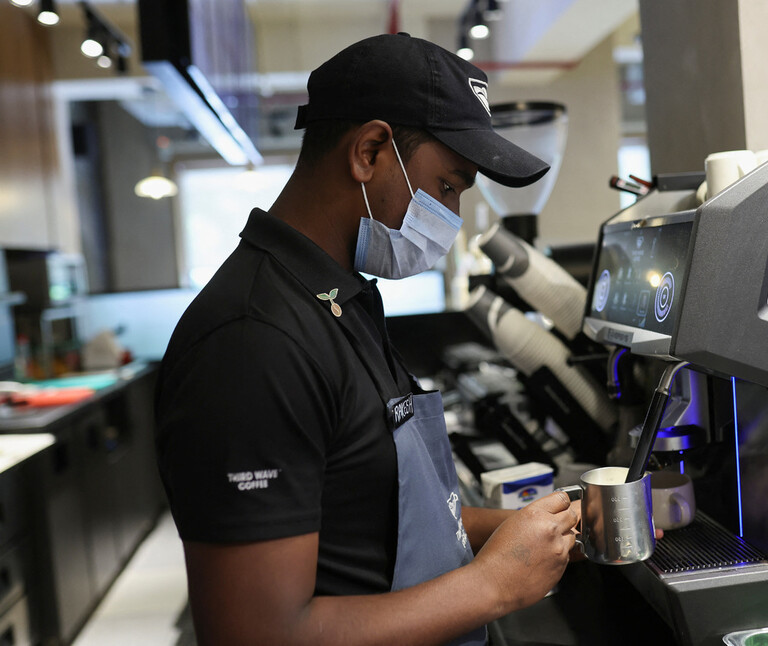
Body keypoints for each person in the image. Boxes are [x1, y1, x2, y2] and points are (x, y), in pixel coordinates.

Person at [155, 33, 581, 646]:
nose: (452, 219)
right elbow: (257, 633)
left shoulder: (341, 298)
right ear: (370, 151)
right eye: (448, 188)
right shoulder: (253, 345)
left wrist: (539, 528)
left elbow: (380, 515)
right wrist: (494, 586)